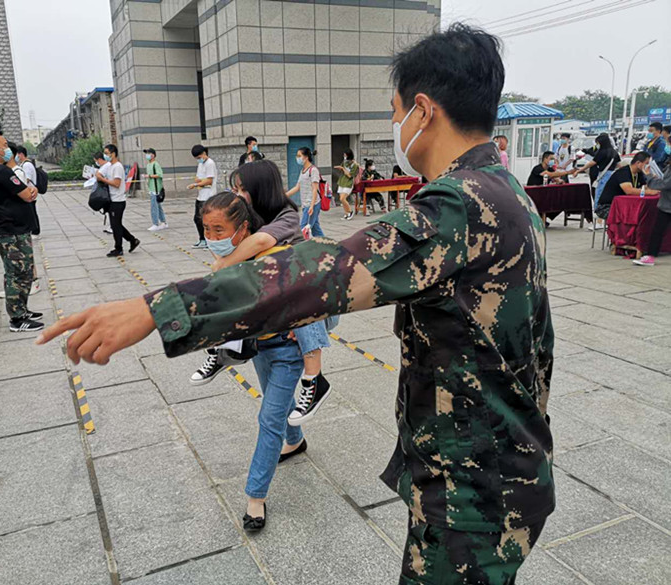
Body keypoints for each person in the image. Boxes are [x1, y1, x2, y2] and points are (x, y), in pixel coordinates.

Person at [38, 24, 555, 584]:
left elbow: (325, 272)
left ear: (422, 111)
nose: (394, 121)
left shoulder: (463, 202)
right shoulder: (503, 188)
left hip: (474, 492)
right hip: (494, 467)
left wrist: (155, 309)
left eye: (395, 109)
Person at [191, 161, 333, 425]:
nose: (237, 195)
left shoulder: (286, 216)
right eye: (234, 189)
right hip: (272, 305)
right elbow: (226, 250)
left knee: (298, 289)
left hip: (309, 300)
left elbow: (261, 241)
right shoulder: (249, 218)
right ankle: (224, 350)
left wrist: (224, 262)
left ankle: (315, 381)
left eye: (242, 189)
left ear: (261, 189)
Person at [0, 129, 43, 332]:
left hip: (11, 229)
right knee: (17, 274)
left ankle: (22, 310)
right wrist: (32, 190)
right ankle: (17, 319)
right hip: (10, 232)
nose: (8, 150)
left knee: (22, 272)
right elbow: (27, 194)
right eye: (4, 146)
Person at [0, 141, 42, 298]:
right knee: (16, 255)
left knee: (25, 252)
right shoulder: (8, 171)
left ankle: (34, 281)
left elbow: (23, 195)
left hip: (20, 218)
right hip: (13, 218)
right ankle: (17, 286)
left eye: (2, 150)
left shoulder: (17, 171)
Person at [97, 144, 140, 257]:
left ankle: (119, 248)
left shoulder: (117, 166)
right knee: (116, 225)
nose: (105, 156)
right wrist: (100, 177)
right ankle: (132, 240)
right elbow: (99, 174)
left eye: (107, 153)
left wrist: (103, 180)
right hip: (112, 200)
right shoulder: (110, 166)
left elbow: (116, 184)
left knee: (116, 226)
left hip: (118, 201)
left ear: (113, 153)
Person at [595, 152, 658, 219]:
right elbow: (629, 190)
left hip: (625, 205)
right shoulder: (623, 172)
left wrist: (650, 177)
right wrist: (650, 192)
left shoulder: (639, 174)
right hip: (607, 206)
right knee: (632, 216)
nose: (648, 166)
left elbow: (645, 187)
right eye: (646, 164)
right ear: (638, 163)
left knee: (645, 213)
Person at [634, 155, 671, 267]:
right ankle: (650, 255)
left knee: (658, 231)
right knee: (657, 231)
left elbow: (664, 184)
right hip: (666, 203)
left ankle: (650, 256)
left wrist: (649, 176)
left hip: (667, 204)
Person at [285, 147, 324, 237]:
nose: (297, 158)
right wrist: (285, 195)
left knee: (303, 227)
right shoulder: (302, 171)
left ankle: (304, 248)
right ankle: (327, 246)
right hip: (306, 204)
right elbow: (297, 187)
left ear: (306, 157)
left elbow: (315, 189)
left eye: (299, 156)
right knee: (315, 229)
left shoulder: (313, 170)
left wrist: (311, 206)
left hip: (312, 204)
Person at [575, 133, 620, 205]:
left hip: (603, 175)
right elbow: (618, 165)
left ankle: (599, 210)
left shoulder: (602, 152)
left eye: (598, 143)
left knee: (599, 194)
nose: (597, 145)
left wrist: (579, 170)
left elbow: (591, 163)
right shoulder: (614, 152)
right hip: (612, 175)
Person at [188, 144, 218, 249]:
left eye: (199, 158)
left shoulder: (210, 163)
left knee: (205, 219)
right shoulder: (201, 164)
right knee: (197, 219)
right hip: (201, 195)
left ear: (204, 153)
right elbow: (198, 177)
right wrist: (198, 181)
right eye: (197, 159)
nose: (199, 160)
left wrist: (196, 184)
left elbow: (209, 180)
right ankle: (202, 239)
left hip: (208, 196)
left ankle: (208, 240)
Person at [16, 145, 41, 240]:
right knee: (31, 212)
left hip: (30, 192)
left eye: (16, 155)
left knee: (32, 213)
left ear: (21, 154)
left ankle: (35, 231)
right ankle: (34, 230)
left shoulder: (26, 165)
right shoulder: (24, 164)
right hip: (29, 193)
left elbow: (26, 180)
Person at [143, 148, 167, 231]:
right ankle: (163, 222)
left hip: (156, 188)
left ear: (153, 155)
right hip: (151, 187)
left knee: (154, 206)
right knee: (158, 206)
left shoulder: (155, 164)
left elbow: (160, 174)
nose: (147, 155)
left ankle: (155, 223)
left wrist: (149, 176)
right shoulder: (148, 165)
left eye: (148, 153)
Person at [334, 148, 359, 220]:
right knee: (341, 199)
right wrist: (340, 168)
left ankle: (350, 211)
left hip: (348, 182)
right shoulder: (345, 162)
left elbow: (349, 175)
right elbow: (342, 168)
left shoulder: (354, 165)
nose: (344, 156)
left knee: (343, 198)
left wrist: (343, 168)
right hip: (342, 181)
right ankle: (346, 213)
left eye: (345, 154)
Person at [93, 152, 112, 234]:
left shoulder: (106, 166)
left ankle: (113, 227)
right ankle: (111, 226)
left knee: (111, 210)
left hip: (109, 191)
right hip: (107, 190)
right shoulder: (104, 166)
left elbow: (98, 175)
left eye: (96, 161)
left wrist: (97, 175)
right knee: (109, 210)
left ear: (100, 159)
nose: (96, 163)